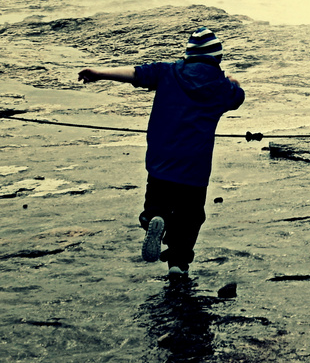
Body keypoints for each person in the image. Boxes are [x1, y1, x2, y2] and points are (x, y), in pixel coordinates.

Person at [78, 27, 245, 279]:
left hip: (161, 162)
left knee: (156, 203)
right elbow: (238, 98)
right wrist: (233, 82)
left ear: (188, 55)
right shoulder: (221, 88)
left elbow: (134, 73)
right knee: (190, 218)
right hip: (195, 170)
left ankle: (154, 218)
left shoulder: (167, 72)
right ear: (217, 59)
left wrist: (99, 73)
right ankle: (178, 263)